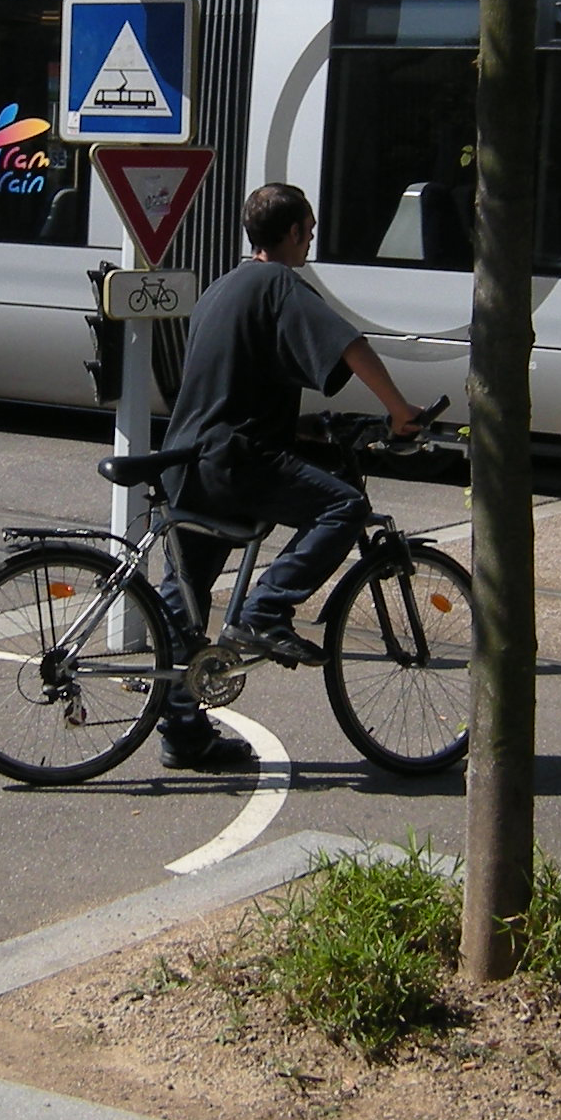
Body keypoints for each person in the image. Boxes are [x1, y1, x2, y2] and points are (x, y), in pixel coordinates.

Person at [148, 182, 432, 771]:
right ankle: (265, 611)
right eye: (310, 230)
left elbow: (234, 387)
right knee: (343, 506)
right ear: (297, 230)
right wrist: (400, 410)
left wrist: (312, 427)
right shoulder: (279, 283)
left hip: (189, 460)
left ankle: (183, 733)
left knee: (185, 599)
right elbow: (349, 345)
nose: (312, 241)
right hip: (236, 461)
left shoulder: (222, 288)